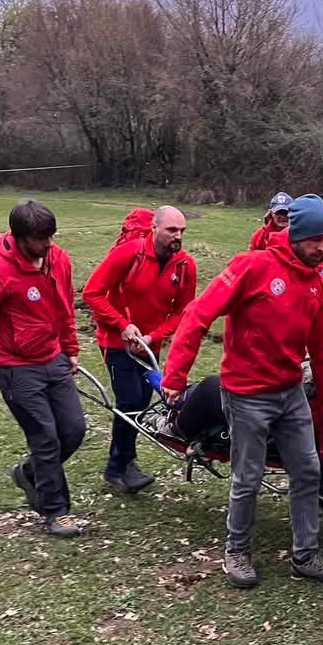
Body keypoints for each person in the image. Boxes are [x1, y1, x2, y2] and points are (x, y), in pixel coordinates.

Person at [162, 194, 323, 589]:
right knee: (248, 476)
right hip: (246, 392)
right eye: (314, 238)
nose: (321, 247)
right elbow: (198, 316)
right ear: (294, 233)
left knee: (308, 470)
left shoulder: (318, 285)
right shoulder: (252, 267)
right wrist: (175, 378)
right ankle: (237, 551)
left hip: (291, 390)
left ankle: (305, 555)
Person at [0, 200, 87, 539]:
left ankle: (28, 473)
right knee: (46, 438)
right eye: (41, 238)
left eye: (51, 236)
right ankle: (56, 511)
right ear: (20, 237)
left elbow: (64, 307)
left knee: (73, 429)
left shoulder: (58, 259)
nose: (48, 244)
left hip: (51, 357)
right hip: (13, 365)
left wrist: (70, 349)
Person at [83, 206, 197, 493]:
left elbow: (184, 311)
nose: (178, 236)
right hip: (116, 342)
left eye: (182, 230)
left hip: (149, 345)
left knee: (141, 403)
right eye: (172, 230)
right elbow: (92, 292)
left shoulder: (185, 266)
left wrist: (153, 336)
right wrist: (122, 325)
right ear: (154, 228)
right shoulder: (129, 254)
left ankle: (126, 462)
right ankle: (117, 468)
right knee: (130, 401)